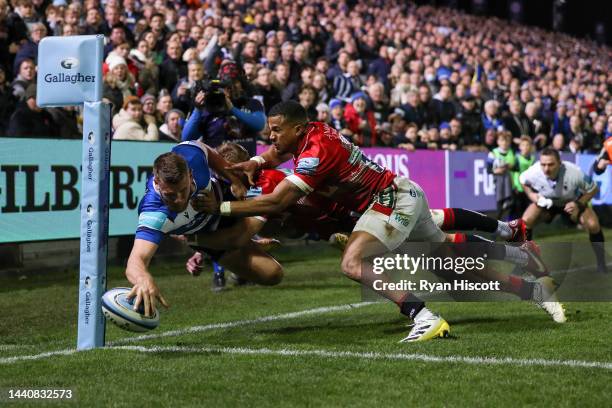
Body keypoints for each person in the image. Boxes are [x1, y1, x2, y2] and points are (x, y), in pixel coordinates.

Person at [194, 101, 563, 342]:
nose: (269, 137)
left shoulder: (311, 155)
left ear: (296, 127)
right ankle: (531, 286)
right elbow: (275, 155)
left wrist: (218, 212)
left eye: (276, 129)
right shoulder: (309, 134)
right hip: (388, 201)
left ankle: (422, 315)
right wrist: (256, 162)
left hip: (385, 203)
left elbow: (276, 205)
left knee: (353, 264)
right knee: (452, 267)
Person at [126, 140, 249, 316]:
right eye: (170, 195)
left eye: (183, 191)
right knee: (271, 274)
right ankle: (211, 253)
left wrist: (234, 180)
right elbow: (135, 261)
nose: (179, 200)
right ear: (158, 183)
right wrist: (142, 278)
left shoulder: (192, 157)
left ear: (191, 175)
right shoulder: (154, 213)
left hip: (223, 205)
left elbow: (205, 148)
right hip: (204, 235)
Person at [520, 148, 607, 273]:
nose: (546, 169)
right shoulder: (534, 171)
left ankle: (601, 263)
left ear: (560, 163)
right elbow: (522, 181)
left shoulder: (574, 172)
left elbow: (592, 189)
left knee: (593, 225)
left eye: (551, 164)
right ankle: (528, 262)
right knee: (526, 220)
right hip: (547, 203)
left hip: (571, 202)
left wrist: (578, 203)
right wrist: (532, 196)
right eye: (543, 164)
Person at [182, 61, 265, 156]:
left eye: (234, 82)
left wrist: (232, 109)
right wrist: (197, 109)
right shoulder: (208, 106)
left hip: (246, 165)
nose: (230, 87)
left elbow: (260, 124)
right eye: (226, 82)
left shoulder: (252, 103)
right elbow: (186, 137)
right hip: (216, 167)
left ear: (242, 84)